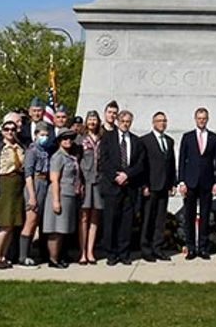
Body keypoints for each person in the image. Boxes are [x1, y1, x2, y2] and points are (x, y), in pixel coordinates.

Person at [99, 109, 146, 265]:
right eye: (123, 121)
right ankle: (111, 254)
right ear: (118, 122)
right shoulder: (107, 138)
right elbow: (104, 161)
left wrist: (127, 175)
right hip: (112, 187)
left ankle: (124, 253)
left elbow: (140, 164)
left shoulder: (136, 141)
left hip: (130, 187)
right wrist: (116, 176)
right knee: (111, 221)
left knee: (126, 223)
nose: (125, 124)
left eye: (128, 122)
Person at [178, 107, 216, 260]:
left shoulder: (215, 138)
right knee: (189, 216)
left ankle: (203, 248)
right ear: (195, 119)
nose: (202, 120)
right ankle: (190, 248)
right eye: (199, 118)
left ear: (207, 119)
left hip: (207, 182)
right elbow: (182, 160)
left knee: (205, 216)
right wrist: (181, 181)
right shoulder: (187, 137)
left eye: (204, 118)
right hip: (190, 182)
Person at [0, 115, 30, 269]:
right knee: (3, 224)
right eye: (7, 129)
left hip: (17, 186)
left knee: (12, 224)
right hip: (2, 185)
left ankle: (4, 255)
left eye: (13, 129)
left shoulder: (21, 147)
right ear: (2, 131)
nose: (10, 132)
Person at [42, 128, 82, 269]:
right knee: (55, 230)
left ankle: (60, 256)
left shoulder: (70, 156)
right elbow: (54, 179)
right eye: (65, 139)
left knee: (63, 229)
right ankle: (53, 259)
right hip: (59, 195)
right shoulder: (58, 157)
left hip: (69, 195)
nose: (68, 141)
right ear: (59, 141)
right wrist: (56, 200)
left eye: (70, 138)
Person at [140, 111, 176, 262]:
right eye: (159, 121)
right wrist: (144, 185)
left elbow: (171, 164)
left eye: (164, 121)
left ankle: (158, 248)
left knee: (160, 221)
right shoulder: (145, 140)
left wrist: (173, 183)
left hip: (164, 186)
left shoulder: (169, 141)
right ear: (153, 123)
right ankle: (146, 249)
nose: (162, 123)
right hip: (151, 186)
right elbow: (142, 165)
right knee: (148, 219)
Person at [20, 122, 51, 265]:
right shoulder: (32, 151)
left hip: (44, 182)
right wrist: (32, 195)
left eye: (46, 135)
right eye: (42, 135)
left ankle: (33, 253)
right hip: (35, 183)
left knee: (37, 220)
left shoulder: (45, 151)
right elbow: (28, 173)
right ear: (36, 135)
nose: (44, 137)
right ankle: (23, 256)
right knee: (30, 220)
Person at [78, 111, 103, 265]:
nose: (92, 122)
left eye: (94, 119)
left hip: (98, 181)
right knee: (84, 217)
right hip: (85, 181)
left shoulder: (102, 139)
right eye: (90, 119)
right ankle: (82, 253)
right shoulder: (80, 139)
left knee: (95, 217)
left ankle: (90, 251)